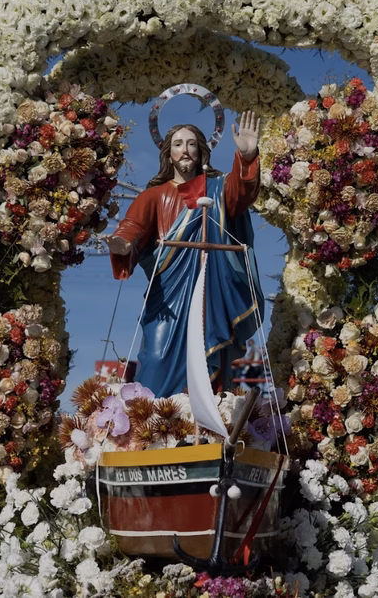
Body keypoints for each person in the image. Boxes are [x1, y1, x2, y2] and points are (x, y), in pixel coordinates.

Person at [106, 112, 263, 397]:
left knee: (207, 356)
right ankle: (154, 421)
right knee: (156, 357)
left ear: (201, 150)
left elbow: (241, 195)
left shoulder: (217, 189)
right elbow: (133, 226)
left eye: (192, 144)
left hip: (210, 288)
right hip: (168, 293)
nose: (185, 150)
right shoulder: (153, 196)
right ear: (168, 154)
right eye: (178, 144)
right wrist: (122, 244)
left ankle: (205, 421)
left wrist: (248, 157)